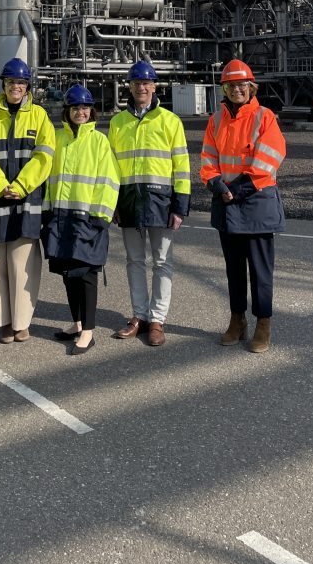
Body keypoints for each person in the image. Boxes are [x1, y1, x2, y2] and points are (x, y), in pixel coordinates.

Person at [200, 59, 286, 353]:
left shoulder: (265, 117)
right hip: (227, 202)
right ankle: (237, 320)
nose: (236, 90)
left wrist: (235, 189)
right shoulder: (216, 120)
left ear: (251, 87)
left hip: (256, 201)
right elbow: (208, 158)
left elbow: (270, 158)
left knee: (261, 271)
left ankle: (263, 323)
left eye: (241, 85)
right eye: (230, 86)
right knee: (234, 269)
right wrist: (217, 185)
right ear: (224, 89)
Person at [0, 57, 55, 343]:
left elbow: (45, 156)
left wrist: (20, 185)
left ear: (27, 86)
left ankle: (21, 322)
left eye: (20, 82)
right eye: (10, 82)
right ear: (3, 85)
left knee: (22, 266)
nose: (15, 87)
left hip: (26, 199)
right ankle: (3, 321)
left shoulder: (39, 116)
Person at [108, 61, 191, 347]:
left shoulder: (170, 121)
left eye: (146, 83)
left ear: (154, 86)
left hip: (161, 201)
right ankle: (139, 316)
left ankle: (157, 320)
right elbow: (111, 167)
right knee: (134, 261)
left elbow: (182, 166)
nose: (141, 88)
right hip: (129, 200)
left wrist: (180, 206)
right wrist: (112, 203)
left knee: (162, 262)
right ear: (129, 87)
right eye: (136, 83)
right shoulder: (118, 122)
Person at [42, 85, 120, 355]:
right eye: (75, 107)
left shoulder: (99, 141)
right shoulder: (57, 139)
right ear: (67, 111)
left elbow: (109, 180)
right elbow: (49, 178)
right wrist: (47, 210)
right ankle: (76, 323)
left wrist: (100, 216)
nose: (81, 112)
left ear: (91, 111)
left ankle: (88, 331)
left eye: (85, 107)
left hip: (88, 219)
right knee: (68, 273)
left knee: (86, 274)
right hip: (61, 218)